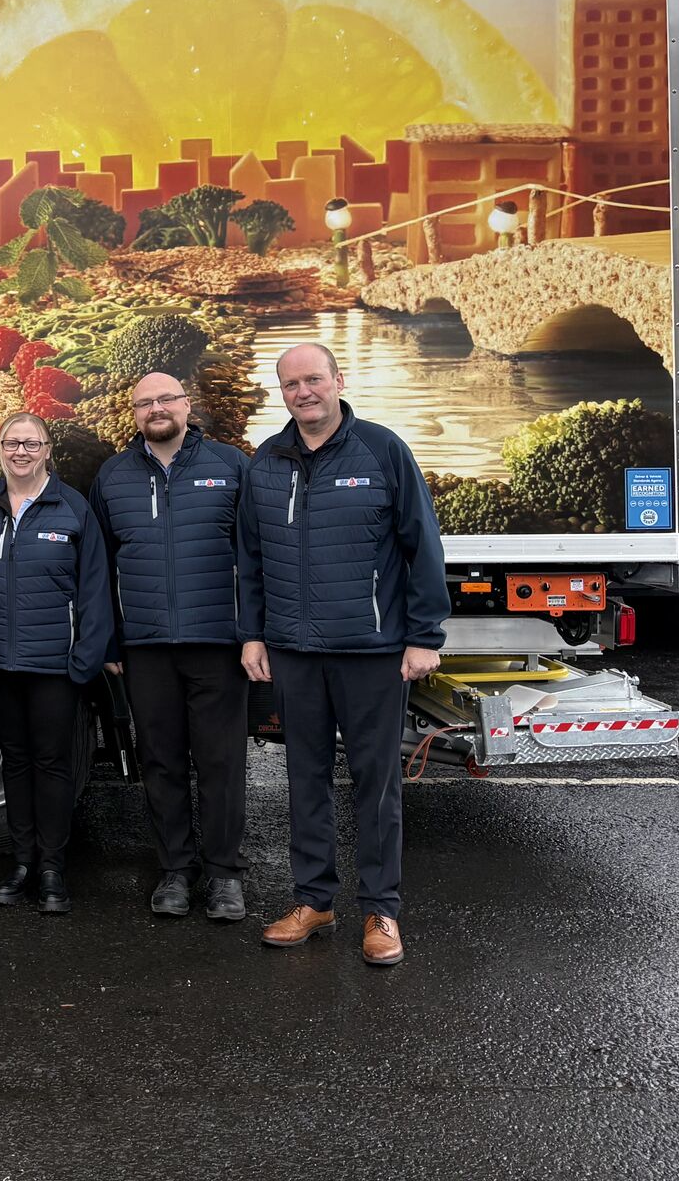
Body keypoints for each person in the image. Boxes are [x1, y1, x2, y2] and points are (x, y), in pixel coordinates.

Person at [238, 343, 449, 967]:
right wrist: (253, 634)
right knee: (304, 778)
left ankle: (381, 910)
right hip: (294, 651)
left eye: (313, 380)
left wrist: (424, 636)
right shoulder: (266, 461)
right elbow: (249, 558)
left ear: (337, 380)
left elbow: (421, 545)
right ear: (282, 394)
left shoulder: (382, 450)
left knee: (376, 783)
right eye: (291, 384)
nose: (303, 392)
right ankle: (314, 901)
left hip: (371, 650)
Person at [89, 371, 252, 923]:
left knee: (221, 762)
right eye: (145, 403)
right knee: (160, 761)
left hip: (217, 642)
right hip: (145, 646)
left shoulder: (230, 466)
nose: (156, 409)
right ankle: (176, 870)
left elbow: (254, 556)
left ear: (187, 405)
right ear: (134, 414)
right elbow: (98, 567)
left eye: (166, 399)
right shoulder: (113, 475)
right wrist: (110, 639)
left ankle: (225, 874)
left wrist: (253, 633)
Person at [0, 410, 113, 913]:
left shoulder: (72, 507)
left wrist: (84, 661)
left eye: (31, 443)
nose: (21, 452)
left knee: (52, 765)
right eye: (12, 443)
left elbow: (95, 588)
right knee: (17, 763)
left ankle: (52, 868)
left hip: (54, 667)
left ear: (47, 450)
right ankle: (23, 862)